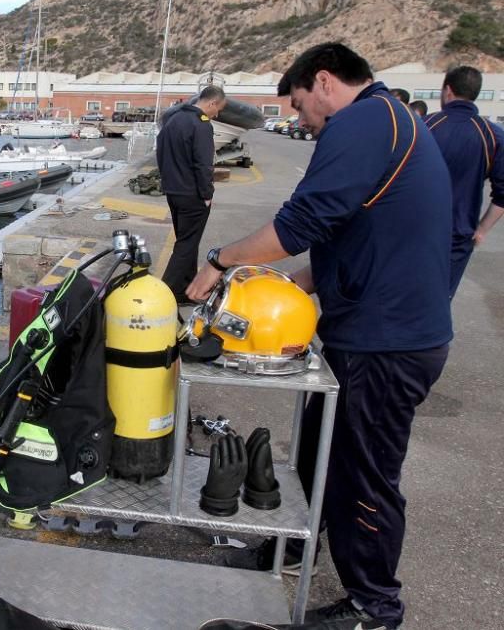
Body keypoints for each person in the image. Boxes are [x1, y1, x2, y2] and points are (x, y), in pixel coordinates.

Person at [186, 43, 452, 630]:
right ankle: (291, 549)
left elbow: (302, 221)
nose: (301, 120)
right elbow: (347, 232)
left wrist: (220, 260)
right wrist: (289, 284)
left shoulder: (364, 122)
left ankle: (374, 607)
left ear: (325, 82)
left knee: (364, 472)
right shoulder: (390, 119)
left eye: (303, 106)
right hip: (370, 322)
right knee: (319, 453)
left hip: (388, 340)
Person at [423, 66, 504, 298]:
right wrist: (482, 229)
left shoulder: (424, 126)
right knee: (439, 301)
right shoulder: (492, 136)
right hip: (458, 236)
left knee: (401, 298)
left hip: (414, 230)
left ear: (447, 90)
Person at [155, 84, 227, 304]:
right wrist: (207, 194)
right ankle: (163, 295)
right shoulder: (201, 124)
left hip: (173, 191)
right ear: (212, 102)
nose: (218, 113)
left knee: (187, 241)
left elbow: (160, 153)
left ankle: (184, 289)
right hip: (192, 194)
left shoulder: (173, 120)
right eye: (219, 108)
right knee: (186, 244)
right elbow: (204, 164)